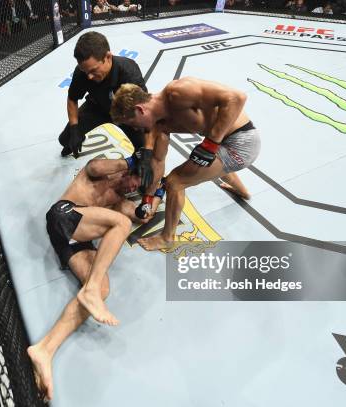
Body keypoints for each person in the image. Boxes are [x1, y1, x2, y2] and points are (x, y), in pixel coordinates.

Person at [28, 158, 162, 401]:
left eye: (139, 188)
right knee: (121, 223)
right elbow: (94, 166)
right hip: (63, 214)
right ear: (131, 171)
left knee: (101, 288)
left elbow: (144, 215)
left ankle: (44, 350)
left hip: (73, 240)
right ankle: (88, 292)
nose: (134, 188)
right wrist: (132, 160)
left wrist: (155, 192)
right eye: (136, 181)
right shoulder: (105, 173)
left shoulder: (120, 204)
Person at [110, 77, 261, 250]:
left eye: (132, 123)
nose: (135, 129)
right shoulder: (159, 127)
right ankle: (243, 192)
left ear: (140, 110)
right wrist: (147, 198)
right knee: (202, 159)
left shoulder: (179, 91)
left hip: (243, 142)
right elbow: (158, 163)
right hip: (223, 143)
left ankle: (167, 238)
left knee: (175, 182)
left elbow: (237, 97)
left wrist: (211, 143)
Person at [58, 31, 147, 158]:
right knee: (64, 139)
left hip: (124, 113)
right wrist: (74, 129)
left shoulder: (128, 71)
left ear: (108, 57)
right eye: (85, 71)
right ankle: (72, 141)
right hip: (96, 107)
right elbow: (72, 98)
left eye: (93, 70)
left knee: (143, 150)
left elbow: (143, 108)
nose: (89, 76)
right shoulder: (82, 72)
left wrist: (146, 150)